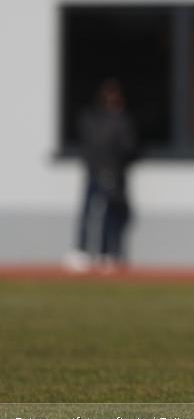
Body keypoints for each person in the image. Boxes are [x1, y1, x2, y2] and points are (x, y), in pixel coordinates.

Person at [65, 79, 138, 273]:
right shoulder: (91, 118)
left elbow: (128, 147)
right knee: (89, 212)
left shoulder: (121, 120)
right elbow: (90, 146)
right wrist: (98, 165)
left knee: (110, 214)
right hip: (96, 171)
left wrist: (114, 165)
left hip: (113, 172)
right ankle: (82, 251)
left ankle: (106, 253)